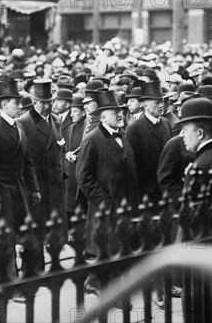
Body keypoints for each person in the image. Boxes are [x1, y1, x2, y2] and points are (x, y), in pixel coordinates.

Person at [0, 77, 41, 284]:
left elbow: (28, 162)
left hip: (19, 192)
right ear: (4, 104)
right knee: (5, 240)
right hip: (2, 194)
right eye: (16, 102)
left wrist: (34, 189)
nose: (20, 106)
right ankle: (10, 282)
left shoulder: (19, 128)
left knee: (24, 236)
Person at [77, 90, 139, 257]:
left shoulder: (124, 135)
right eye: (114, 112)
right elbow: (83, 177)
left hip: (125, 209)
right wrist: (104, 201)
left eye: (120, 111)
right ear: (103, 118)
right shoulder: (92, 140)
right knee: (105, 261)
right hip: (105, 212)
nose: (120, 115)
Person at [17, 79, 66, 270]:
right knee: (35, 231)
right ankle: (34, 270)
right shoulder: (24, 123)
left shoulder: (55, 120)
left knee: (54, 229)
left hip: (54, 186)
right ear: (34, 102)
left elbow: (59, 150)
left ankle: (54, 265)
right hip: (35, 187)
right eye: (43, 102)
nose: (47, 106)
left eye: (50, 102)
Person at [126, 81, 172, 206]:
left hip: (166, 187)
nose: (161, 105)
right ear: (145, 105)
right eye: (157, 103)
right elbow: (131, 163)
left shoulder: (166, 123)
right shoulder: (134, 128)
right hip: (146, 190)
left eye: (162, 101)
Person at [64, 95, 87, 216]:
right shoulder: (71, 128)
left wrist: (76, 158)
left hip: (81, 175)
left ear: (83, 112)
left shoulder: (86, 128)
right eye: (71, 112)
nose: (72, 115)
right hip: (71, 176)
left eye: (75, 112)